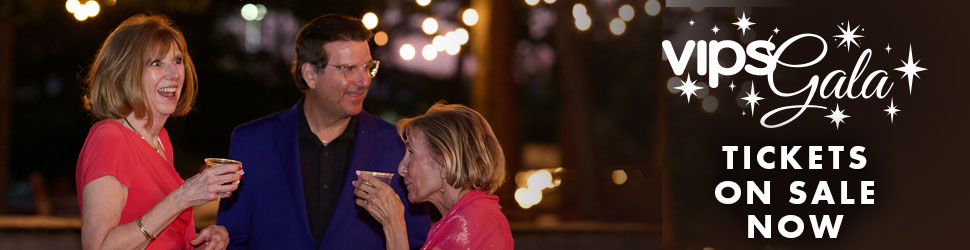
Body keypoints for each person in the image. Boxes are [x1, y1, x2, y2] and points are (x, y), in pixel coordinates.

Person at [217, 14, 431, 249]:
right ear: (310, 74)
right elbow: (231, 238)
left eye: (368, 67)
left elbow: (416, 242)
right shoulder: (252, 142)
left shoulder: (397, 146)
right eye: (348, 69)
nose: (364, 81)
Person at [76, 14, 241, 250]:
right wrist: (182, 197)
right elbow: (99, 247)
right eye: (156, 63)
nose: (174, 74)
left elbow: (155, 238)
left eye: (177, 60)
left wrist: (201, 242)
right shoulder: (110, 138)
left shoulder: (160, 140)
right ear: (125, 73)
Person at [353, 102, 515, 250]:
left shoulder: (473, 221)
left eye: (411, 153)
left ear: (445, 162)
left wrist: (393, 223)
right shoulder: (463, 217)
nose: (401, 168)